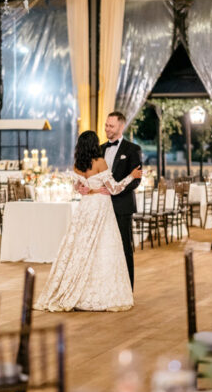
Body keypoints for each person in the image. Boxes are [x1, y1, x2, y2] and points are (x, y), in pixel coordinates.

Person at [35, 130, 142, 312]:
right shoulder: (100, 162)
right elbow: (114, 189)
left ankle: (76, 287)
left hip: (85, 208)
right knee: (104, 246)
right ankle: (102, 293)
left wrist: (84, 189)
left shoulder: (78, 165)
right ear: (94, 144)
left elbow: (77, 186)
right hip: (101, 207)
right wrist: (132, 176)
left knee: (81, 246)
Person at [92, 112, 143, 288]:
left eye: (111, 126)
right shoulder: (99, 149)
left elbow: (136, 180)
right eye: (106, 125)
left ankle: (127, 287)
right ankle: (106, 286)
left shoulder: (132, 149)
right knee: (103, 247)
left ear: (121, 127)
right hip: (101, 206)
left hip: (122, 206)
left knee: (124, 247)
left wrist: (115, 190)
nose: (107, 129)